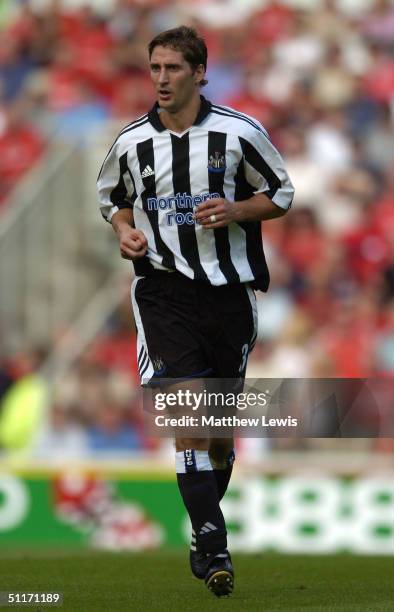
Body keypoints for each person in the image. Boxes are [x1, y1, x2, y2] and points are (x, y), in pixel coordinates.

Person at [97, 25, 294, 597]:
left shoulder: (238, 133)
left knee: (218, 436)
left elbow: (280, 194)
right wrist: (124, 230)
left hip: (229, 295)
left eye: (173, 68)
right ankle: (213, 544)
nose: (161, 78)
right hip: (163, 294)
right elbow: (112, 198)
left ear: (200, 72)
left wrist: (235, 209)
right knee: (188, 421)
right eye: (154, 68)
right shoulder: (133, 141)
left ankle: (201, 532)